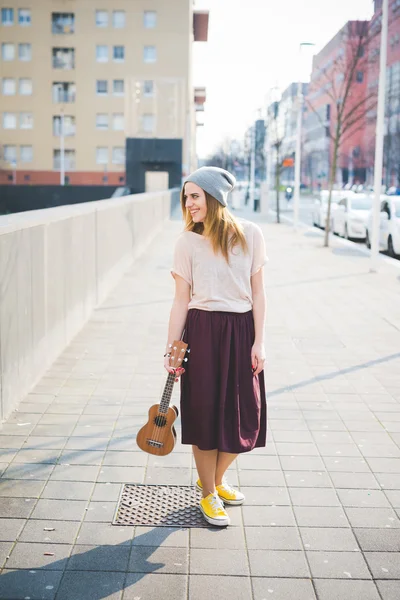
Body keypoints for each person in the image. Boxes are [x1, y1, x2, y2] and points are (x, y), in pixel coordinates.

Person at [164, 166, 268, 527]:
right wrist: (171, 351)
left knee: (245, 415)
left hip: (240, 331)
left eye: (195, 196)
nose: (188, 203)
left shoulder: (250, 234)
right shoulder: (186, 242)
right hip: (203, 331)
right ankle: (208, 494)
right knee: (204, 414)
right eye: (186, 196)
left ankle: (215, 479)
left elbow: (258, 293)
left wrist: (259, 341)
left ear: (214, 198)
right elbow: (180, 300)